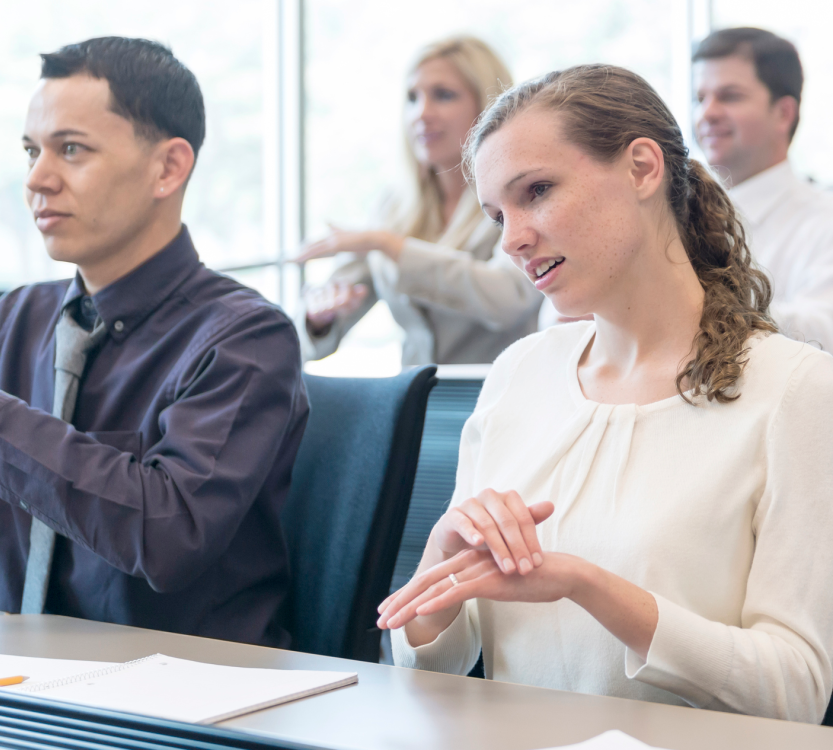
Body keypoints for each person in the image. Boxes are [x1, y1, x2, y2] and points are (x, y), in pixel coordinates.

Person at [377, 64, 833, 723]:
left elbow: (794, 694)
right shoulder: (519, 375)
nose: (512, 239)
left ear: (643, 168)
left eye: (536, 191)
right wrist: (444, 556)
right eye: (496, 214)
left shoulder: (795, 390)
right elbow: (428, 664)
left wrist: (590, 587)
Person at [0, 37, 309, 648]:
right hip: (19, 692)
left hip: (187, 705)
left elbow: (170, 535)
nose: (37, 179)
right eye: (31, 151)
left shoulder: (246, 338)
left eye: (72, 150)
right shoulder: (17, 319)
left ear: (168, 168)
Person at [296, 36, 542, 366]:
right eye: (412, 98)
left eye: (443, 95)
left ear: (489, 107)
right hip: (416, 402)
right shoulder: (393, 206)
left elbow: (508, 299)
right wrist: (319, 317)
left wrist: (391, 246)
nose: (421, 114)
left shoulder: (520, 196)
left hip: (499, 397)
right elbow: (316, 340)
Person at [694, 28, 833, 349]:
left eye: (729, 96)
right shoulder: (673, 215)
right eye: (700, 98)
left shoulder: (825, 222)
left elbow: (824, 335)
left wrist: (694, 302)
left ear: (783, 113)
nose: (707, 113)